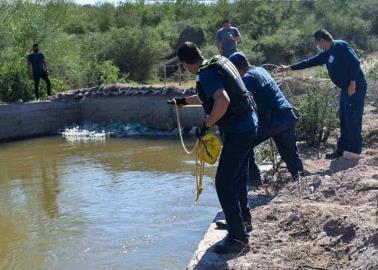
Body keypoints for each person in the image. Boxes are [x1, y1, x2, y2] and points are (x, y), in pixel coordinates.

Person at [168, 41, 258, 254]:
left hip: (238, 131)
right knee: (237, 178)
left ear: (185, 64)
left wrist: (206, 125)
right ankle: (242, 222)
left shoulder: (206, 73)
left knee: (223, 184)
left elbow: (222, 100)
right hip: (248, 126)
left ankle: (238, 238)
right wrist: (181, 102)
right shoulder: (217, 63)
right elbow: (205, 97)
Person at [278, 29, 367, 159]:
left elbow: (355, 63)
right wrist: (289, 68)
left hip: (356, 87)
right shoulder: (326, 53)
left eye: (318, 44)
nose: (318, 47)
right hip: (345, 89)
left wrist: (353, 83)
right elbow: (309, 62)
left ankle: (354, 152)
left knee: (353, 118)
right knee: (344, 118)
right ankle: (342, 149)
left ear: (322, 41)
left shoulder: (340, 46)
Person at [228, 52, 304, 187]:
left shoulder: (247, 78)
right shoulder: (261, 70)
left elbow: (240, 102)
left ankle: (253, 181)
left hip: (273, 119)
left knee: (243, 142)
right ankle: (300, 180)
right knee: (290, 152)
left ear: (236, 68)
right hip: (287, 115)